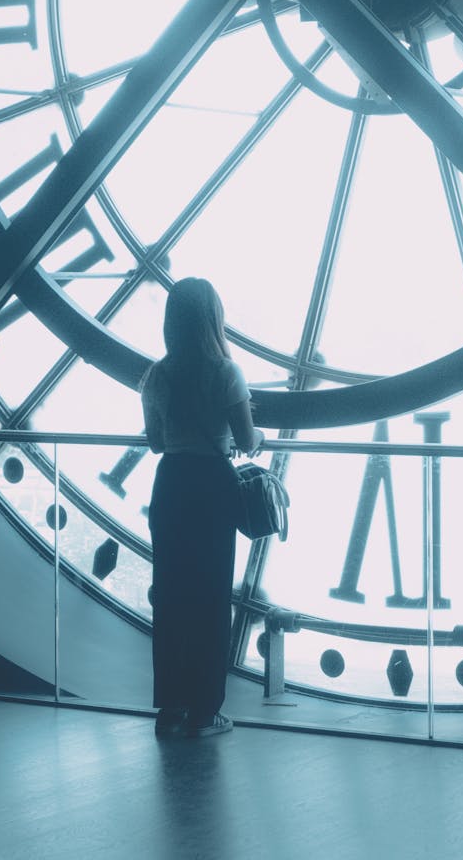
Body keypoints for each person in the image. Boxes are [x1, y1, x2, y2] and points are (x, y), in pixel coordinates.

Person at [141, 277, 265, 739]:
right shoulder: (226, 374)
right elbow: (248, 441)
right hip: (212, 488)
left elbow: (156, 443)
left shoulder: (156, 376)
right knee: (212, 601)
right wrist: (253, 438)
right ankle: (204, 710)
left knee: (170, 598)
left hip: (170, 484)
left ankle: (169, 707)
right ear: (215, 317)